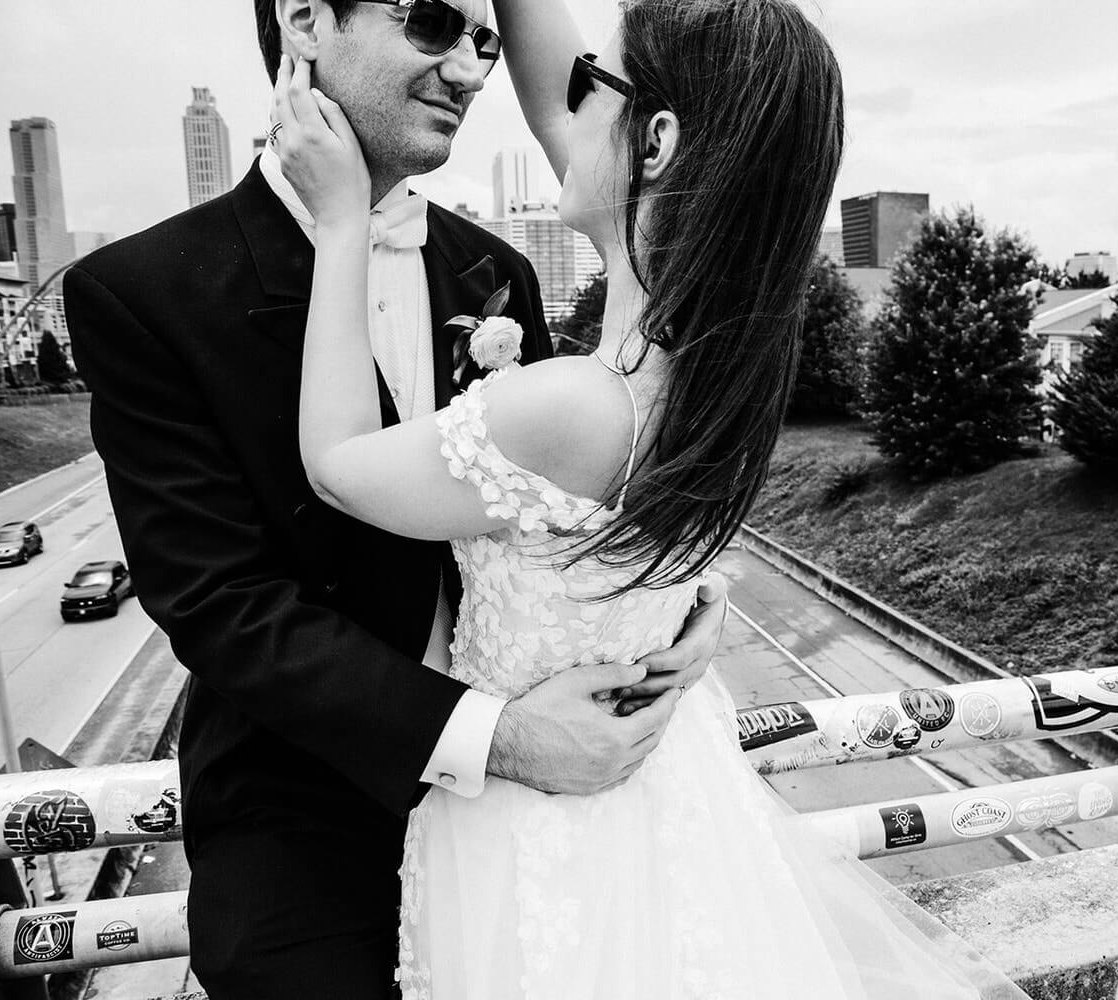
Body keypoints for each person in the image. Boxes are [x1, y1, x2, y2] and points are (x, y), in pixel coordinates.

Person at [274, 0, 1032, 996]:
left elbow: (335, 461)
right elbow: (568, 104)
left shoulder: (576, 406)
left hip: (547, 841)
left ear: (660, 140)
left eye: (599, 88)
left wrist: (338, 223)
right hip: (658, 805)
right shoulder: (710, 382)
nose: (559, 105)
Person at [63, 0, 729, 996]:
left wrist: (682, 602)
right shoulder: (143, 292)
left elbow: (559, 520)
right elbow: (222, 608)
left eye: (485, 41)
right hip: (305, 826)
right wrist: (504, 738)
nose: (468, 69)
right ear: (304, 23)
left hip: (541, 817)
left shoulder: (495, 271)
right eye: (430, 24)